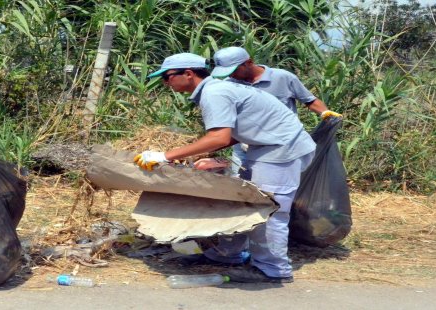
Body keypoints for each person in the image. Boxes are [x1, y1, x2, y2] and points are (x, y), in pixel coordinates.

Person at [134, 53, 316, 283]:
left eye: (167, 77)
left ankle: (272, 270)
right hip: (266, 147)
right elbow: (230, 135)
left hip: (281, 150)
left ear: (188, 74)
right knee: (243, 202)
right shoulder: (217, 89)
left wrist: (164, 155)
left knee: (269, 210)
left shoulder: (214, 93)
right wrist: (193, 155)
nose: (165, 83)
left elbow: (219, 137)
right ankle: (227, 255)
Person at [210, 46, 341, 176]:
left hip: (279, 148)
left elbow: (309, 101)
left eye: (234, 70)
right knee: (240, 184)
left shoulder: (282, 77)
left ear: (249, 62)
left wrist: (325, 113)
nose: (231, 75)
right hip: (243, 146)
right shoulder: (230, 84)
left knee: (276, 187)